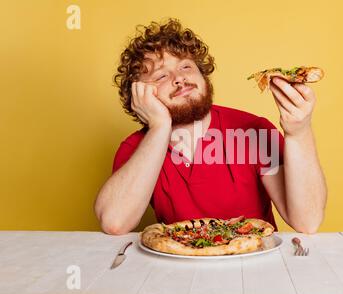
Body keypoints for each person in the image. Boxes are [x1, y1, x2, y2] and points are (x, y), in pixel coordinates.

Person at [94, 18, 327, 235]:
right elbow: (115, 221)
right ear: (139, 95)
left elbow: (308, 220)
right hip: (182, 270)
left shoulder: (254, 131)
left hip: (254, 266)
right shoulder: (135, 148)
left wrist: (299, 132)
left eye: (186, 67)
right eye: (161, 76)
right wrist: (159, 127)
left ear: (203, 76)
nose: (179, 78)